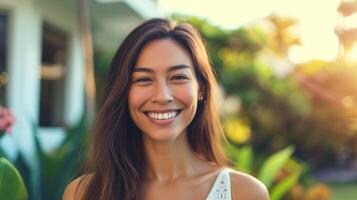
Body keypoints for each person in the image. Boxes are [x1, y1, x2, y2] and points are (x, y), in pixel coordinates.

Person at [62, 18, 269, 200]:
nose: (162, 96)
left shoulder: (244, 193)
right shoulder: (82, 194)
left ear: (201, 89)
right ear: (124, 92)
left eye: (178, 77)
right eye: (143, 79)